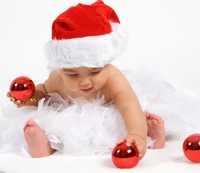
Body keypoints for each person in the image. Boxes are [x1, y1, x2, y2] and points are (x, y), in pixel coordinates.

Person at [5, 0, 166, 158]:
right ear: (61, 69)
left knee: (127, 121)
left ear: (105, 64)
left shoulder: (113, 79)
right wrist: (29, 98)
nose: (85, 82)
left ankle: (149, 135)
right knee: (55, 121)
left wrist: (136, 134)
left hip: (109, 116)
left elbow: (129, 108)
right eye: (73, 75)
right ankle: (46, 146)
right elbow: (42, 95)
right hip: (73, 119)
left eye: (95, 72)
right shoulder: (57, 79)